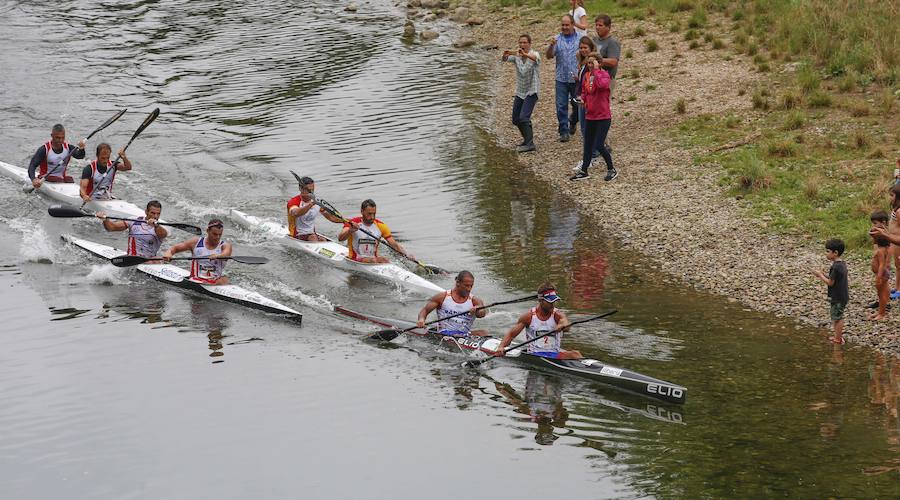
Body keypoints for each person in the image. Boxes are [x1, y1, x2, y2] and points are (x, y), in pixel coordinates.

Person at [495, 283, 582, 359]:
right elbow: (511, 335)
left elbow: (565, 323)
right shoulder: (528, 317)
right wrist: (501, 347)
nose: (553, 304)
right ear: (540, 300)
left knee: (576, 354)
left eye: (554, 301)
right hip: (535, 355)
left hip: (554, 354)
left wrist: (562, 326)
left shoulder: (557, 315)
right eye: (550, 302)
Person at [570, 54, 616, 182]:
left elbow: (602, 86)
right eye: (588, 63)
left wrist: (596, 71)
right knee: (588, 144)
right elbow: (585, 91)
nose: (589, 65)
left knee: (599, 145)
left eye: (592, 63)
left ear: (599, 64)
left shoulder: (604, 75)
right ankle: (584, 171)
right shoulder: (586, 76)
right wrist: (582, 98)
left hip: (603, 116)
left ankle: (611, 169)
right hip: (590, 115)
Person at [338, 199, 415, 264]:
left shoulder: (381, 226)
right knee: (377, 260)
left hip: (373, 260)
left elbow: (394, 244)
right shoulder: (353, 223)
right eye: (369, 214)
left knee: (385, 260)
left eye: (374, 214)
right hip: (354, 259)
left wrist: (407, 256)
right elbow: (340, 238)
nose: (372, 217)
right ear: (362, 211)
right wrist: (350, 231)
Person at [416, 270, 487, 337]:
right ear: (458, 283)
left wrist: (477, 309)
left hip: (464, 334)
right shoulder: (442, 297)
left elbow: (482, 313)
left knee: (483, 333)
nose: (469, 289)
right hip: (444, 333)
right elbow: (425, 310)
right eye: (466, 285)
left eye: (471, 286)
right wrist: (421, 320)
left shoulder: (475, 300)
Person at [163, 219, 233, 285]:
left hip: (215, 283)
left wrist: (217, 256)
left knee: (225, 279)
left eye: (220, 234)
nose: (217, 237)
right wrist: (168, 253)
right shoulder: (195, 242)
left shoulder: (225, 246)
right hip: (195, 281)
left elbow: (226, 254)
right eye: (214, 234)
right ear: (207, 231)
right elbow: (174, 248)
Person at [502, 34, 540, 153]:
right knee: (515, 119)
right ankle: (526, 139)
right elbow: (505, 59)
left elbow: (536, 59)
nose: (522, 45)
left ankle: (530, 144)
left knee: (524, 117)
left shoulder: (534, 54)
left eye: (525, 43)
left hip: (532, 90)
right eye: (520, 43)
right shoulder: (517, 56)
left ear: (529, 44)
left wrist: (525, 55)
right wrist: (506, 54)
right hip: (520, 91)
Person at [545, 15, 581, 142]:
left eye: (567, 25)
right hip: (561, 78)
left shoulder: (581, 39)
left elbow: (588, 53)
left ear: (572, 24)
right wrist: (550, 46)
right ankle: (563, 131)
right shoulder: (556, 39)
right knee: (561, 105)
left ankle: (573, 121)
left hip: (577, 78)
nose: (564, 27)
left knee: (577, 105)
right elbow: (549, 56)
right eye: (563, 25)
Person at [96, 200, 167, 258]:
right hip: (131, 259)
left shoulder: (161, 227)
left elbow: (163, 235)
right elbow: (111, 228)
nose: (155, 216)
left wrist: (156, 226)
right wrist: (105, 219)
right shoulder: (134, 221)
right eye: (153, 213)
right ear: (146, 212)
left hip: (149, 261)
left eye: (158, 214)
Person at [592, 14, 621, 154]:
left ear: (608, 27)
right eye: (596, 24)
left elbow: (614, 61)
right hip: (594, 79)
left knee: (602, 110)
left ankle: (604, 143)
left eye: (600, 25)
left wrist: (599, 59)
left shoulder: (612, 42)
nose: (597, 27)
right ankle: (599, 141)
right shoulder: (594, 40)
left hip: (607, 81)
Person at [813, 239, 849, 344]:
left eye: (828, 251)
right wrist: (823, 274)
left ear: (835, 252)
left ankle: (838, 338)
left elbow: (830, 283)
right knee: (836, 316)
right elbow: (835, 279)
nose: (826, 254)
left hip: (837, 297)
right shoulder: (842, 264)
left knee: (837, 317)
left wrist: (820, 276)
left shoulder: (835, 267)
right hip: (842, 295)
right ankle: (837, 336)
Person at [286, 175, 343, 241]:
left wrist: (345, 221)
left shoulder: (317, 203)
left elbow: (331, 218)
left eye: (312, 190)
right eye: (309, 190)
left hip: (311, 234)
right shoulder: (293, 202)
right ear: (301, 189)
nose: (311, 192)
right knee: (313, 238)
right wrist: (311, 204)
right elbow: (296, 213)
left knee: (323, 240)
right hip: (296, 235)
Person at [572, 36, 596, 170]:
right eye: (581, 48)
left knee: (586, 129)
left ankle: (591, 157)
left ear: (591, 48)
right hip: (581, 98)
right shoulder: (583, 63)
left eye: (585, 48)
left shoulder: (590, 64)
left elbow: (591, 82)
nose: (582, 50)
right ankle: (591, 155)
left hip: (586, 101)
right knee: (585, 129)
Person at [869, 211, 891, 321]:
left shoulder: (881, 251)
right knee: (881, 293)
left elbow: (882, 264)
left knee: (881, 294)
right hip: (881, 273)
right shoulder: (883, 247)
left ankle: (881, 313)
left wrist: (878, 277)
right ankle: (881, 311)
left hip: (881, 274)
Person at [888, 183, 900, 300]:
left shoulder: (899, 211)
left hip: (898, 243)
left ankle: (899, 289)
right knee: (897, 265)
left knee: (899, 265)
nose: (890, 197)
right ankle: (897, 287)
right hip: (894, 242)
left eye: (892, 195)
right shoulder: (895, 209)